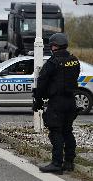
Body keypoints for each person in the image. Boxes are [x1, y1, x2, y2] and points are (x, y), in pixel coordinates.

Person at [33, 33, 80, 174]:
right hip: (71, 101)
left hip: (57, 102)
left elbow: (42, 83)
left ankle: (56, 163)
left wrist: (38, 99)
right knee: (67, 131)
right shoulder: (74, 60)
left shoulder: (53, 62)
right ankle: (69, 162)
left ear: (54, 46)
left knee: (56, 132)